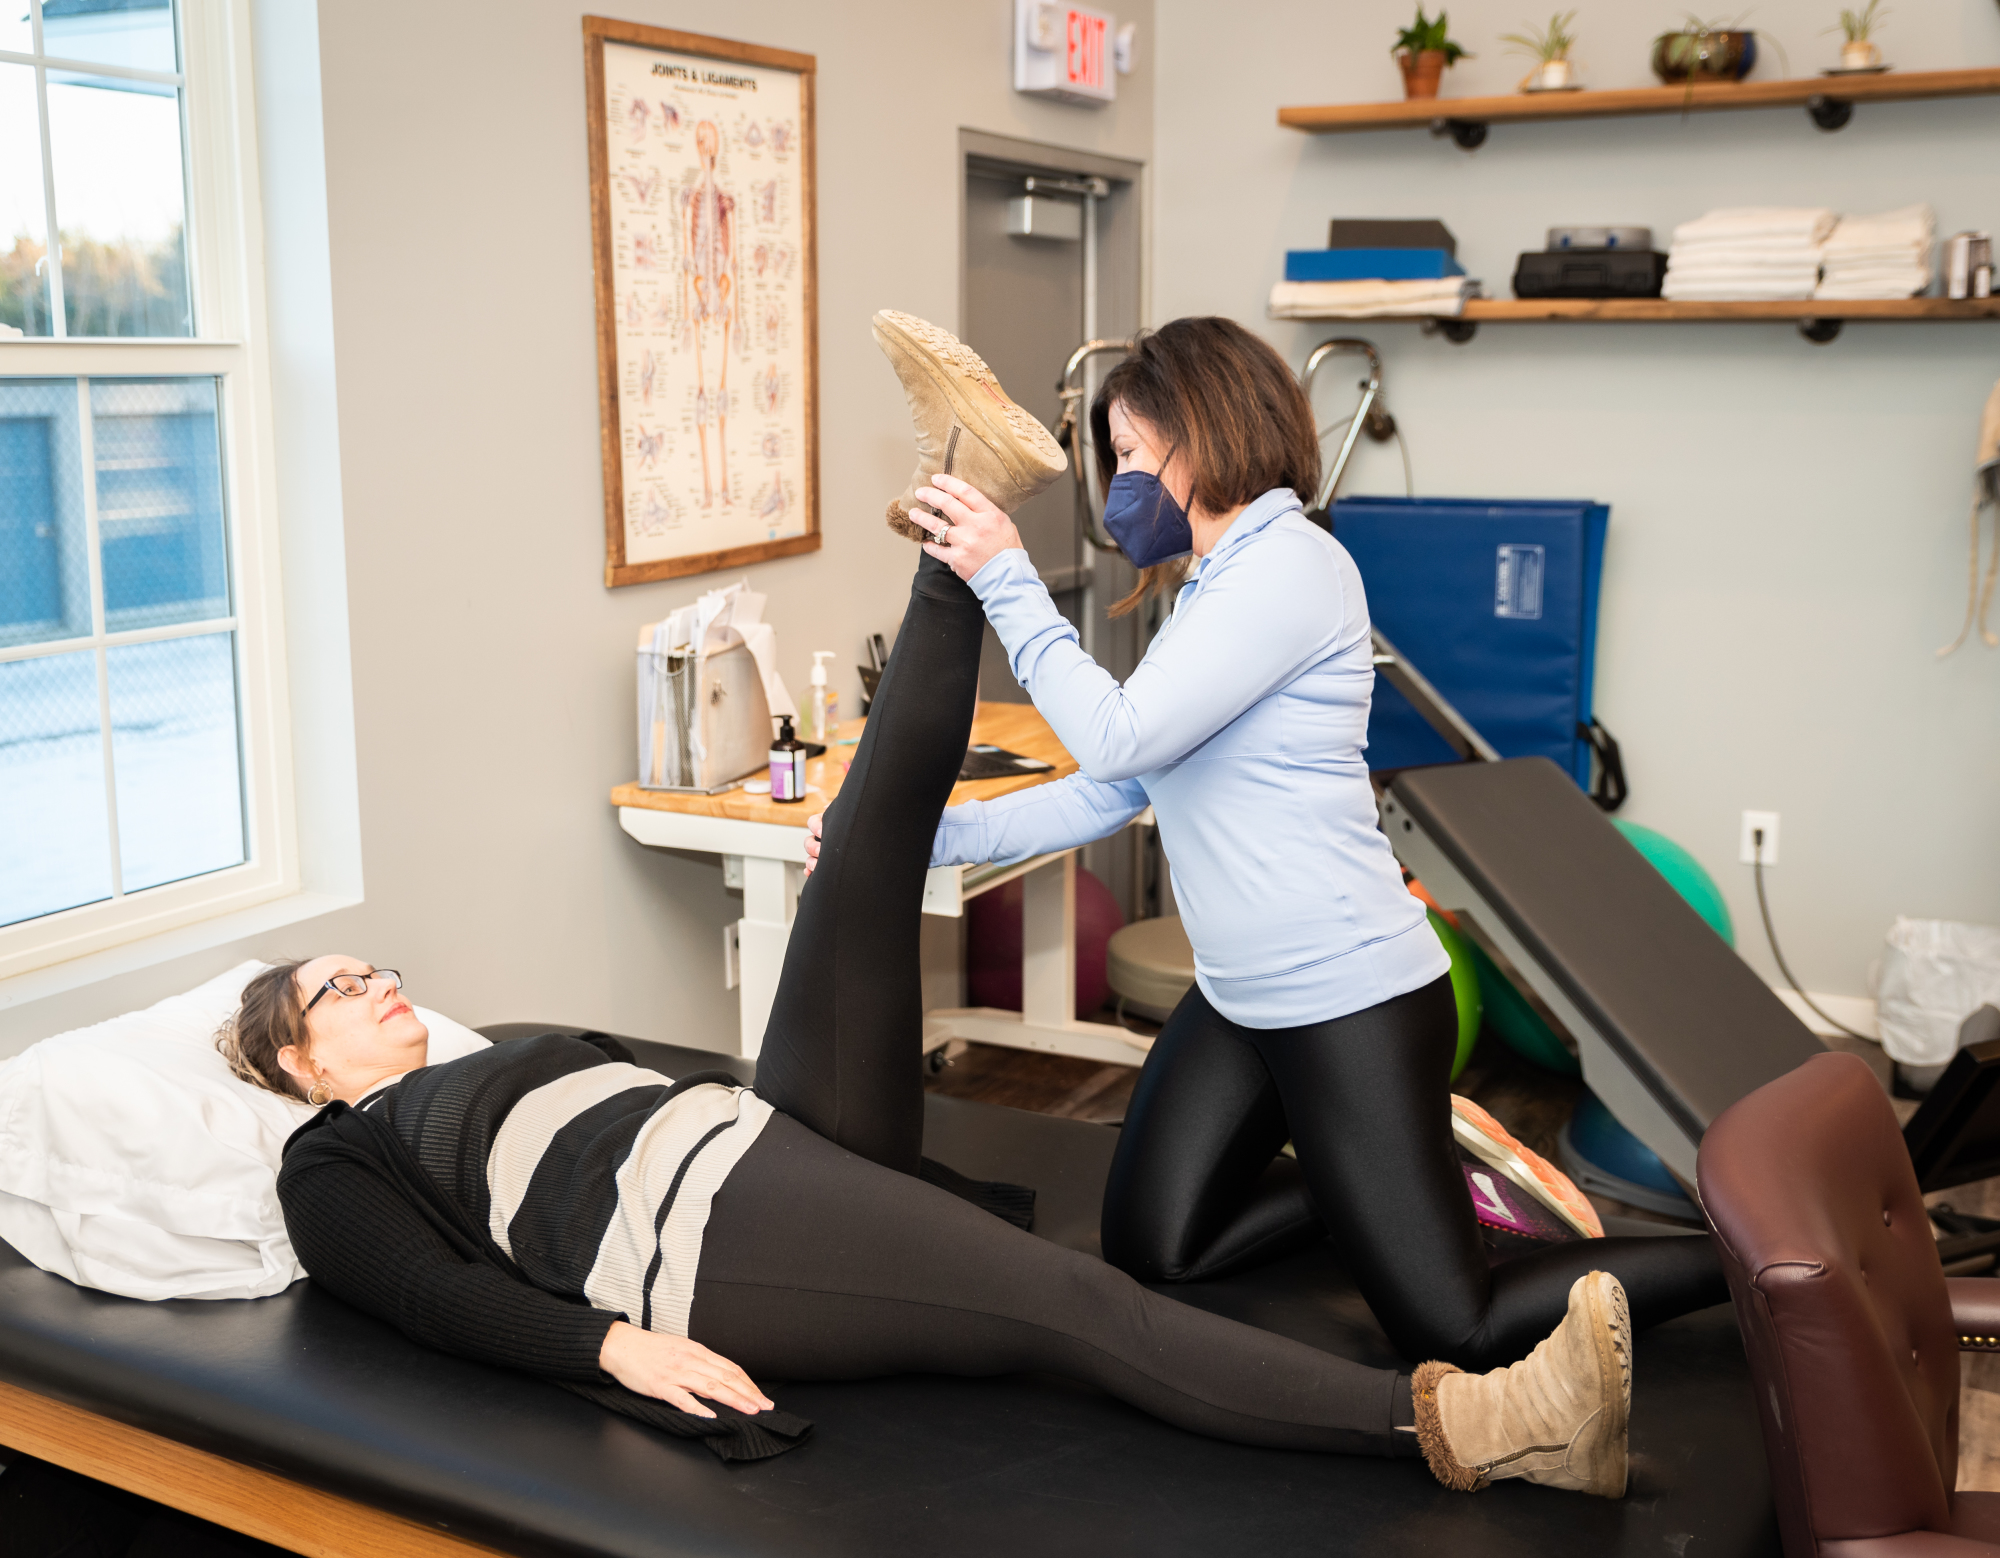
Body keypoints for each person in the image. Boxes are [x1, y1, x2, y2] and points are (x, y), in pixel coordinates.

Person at [234, 524, 1631, 1495]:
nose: (383, 985)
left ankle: (954, 542)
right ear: (300, 1062)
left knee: (863, 844)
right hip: (709, 1240)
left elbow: (657, 1090)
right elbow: (428, 1295)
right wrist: (612, 1346)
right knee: (1071, 1303)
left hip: (757, 1135)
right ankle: (1479, 1423)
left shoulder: (508, 1039)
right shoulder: (332, 1162)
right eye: (341, 989)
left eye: (375, 964)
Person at [834, 311, 1729, 1376]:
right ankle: (1392, 1182)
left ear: (1200, 435)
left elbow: (1121, 730)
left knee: (1456, 1329)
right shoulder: (1214, 585)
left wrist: (1007, 579)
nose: (1119, 483)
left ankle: (1747, 1262)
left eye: (1128, 453)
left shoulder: (1289, 570)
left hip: (1344, 995)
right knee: (1155, 1247)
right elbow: (1113, 787)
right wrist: (905, 840)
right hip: (1240, 998)